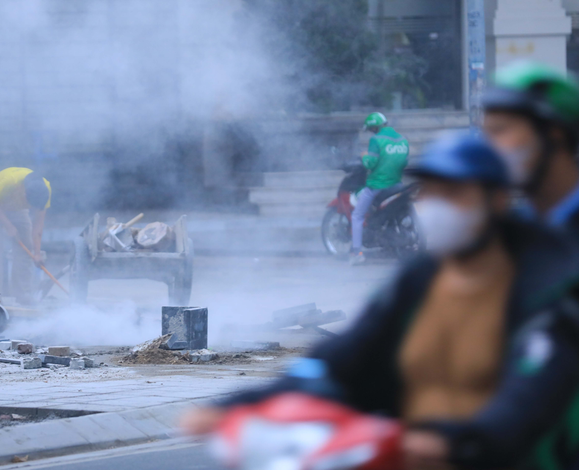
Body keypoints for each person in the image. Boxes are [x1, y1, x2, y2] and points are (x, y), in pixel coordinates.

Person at [181, 134, 579, 470]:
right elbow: (341, 356)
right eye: (432, 192)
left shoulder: (545, 286)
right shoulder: (418, 280)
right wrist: (241, 403)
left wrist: (454, 442)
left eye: (454, 192)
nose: (437, 204)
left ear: (497, 200)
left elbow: (531, 393)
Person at [482, 60, 579, 239]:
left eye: (499, 130)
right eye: (485, 134)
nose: (486, 147)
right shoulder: (511, 237)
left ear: (554, 132)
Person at [0, 167, 51, 303]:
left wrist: (36, 253)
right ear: (24, 194)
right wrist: (8, 225)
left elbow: (38, 225)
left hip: (17, 209)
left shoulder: (44, 191)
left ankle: (22, 294)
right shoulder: (10, 182)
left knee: (26, 246)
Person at [350, 112, 409, 265]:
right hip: (397, 185)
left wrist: (364, 156)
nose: (370, 131)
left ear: (374, 127)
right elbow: (403, 163)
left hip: (377, 186)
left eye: (370, 129)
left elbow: (370, 164)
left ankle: (357, 253)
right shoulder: (402, 140)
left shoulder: (376, 140)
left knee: (357, 216)